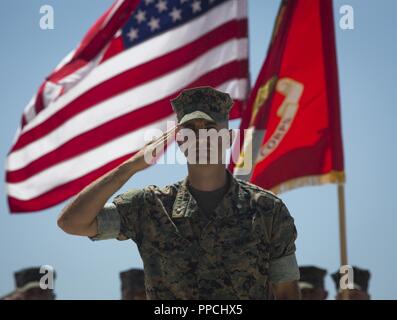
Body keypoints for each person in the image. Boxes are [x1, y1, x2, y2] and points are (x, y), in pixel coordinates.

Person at [58, 86, 300, 300]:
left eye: (209, 127)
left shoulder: (267, 209)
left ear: (227, 138)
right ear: (180, 141)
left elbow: (287, 293)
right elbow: (72, 223)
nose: (201, 136)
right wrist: (130, 167)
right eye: (191, 129)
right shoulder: (150, 206)